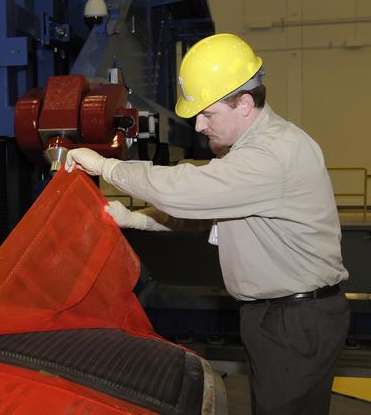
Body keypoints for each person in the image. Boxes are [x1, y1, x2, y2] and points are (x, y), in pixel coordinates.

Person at [65, 33, 349, 415]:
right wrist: (137, 219)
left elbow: (185, 189)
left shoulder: (272, 155)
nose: (198, 125)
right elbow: (209, 211)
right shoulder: (253, 152)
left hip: (294, 321)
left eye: (208, 114)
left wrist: (106, 167)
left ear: (244, 104)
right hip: (278, 317)